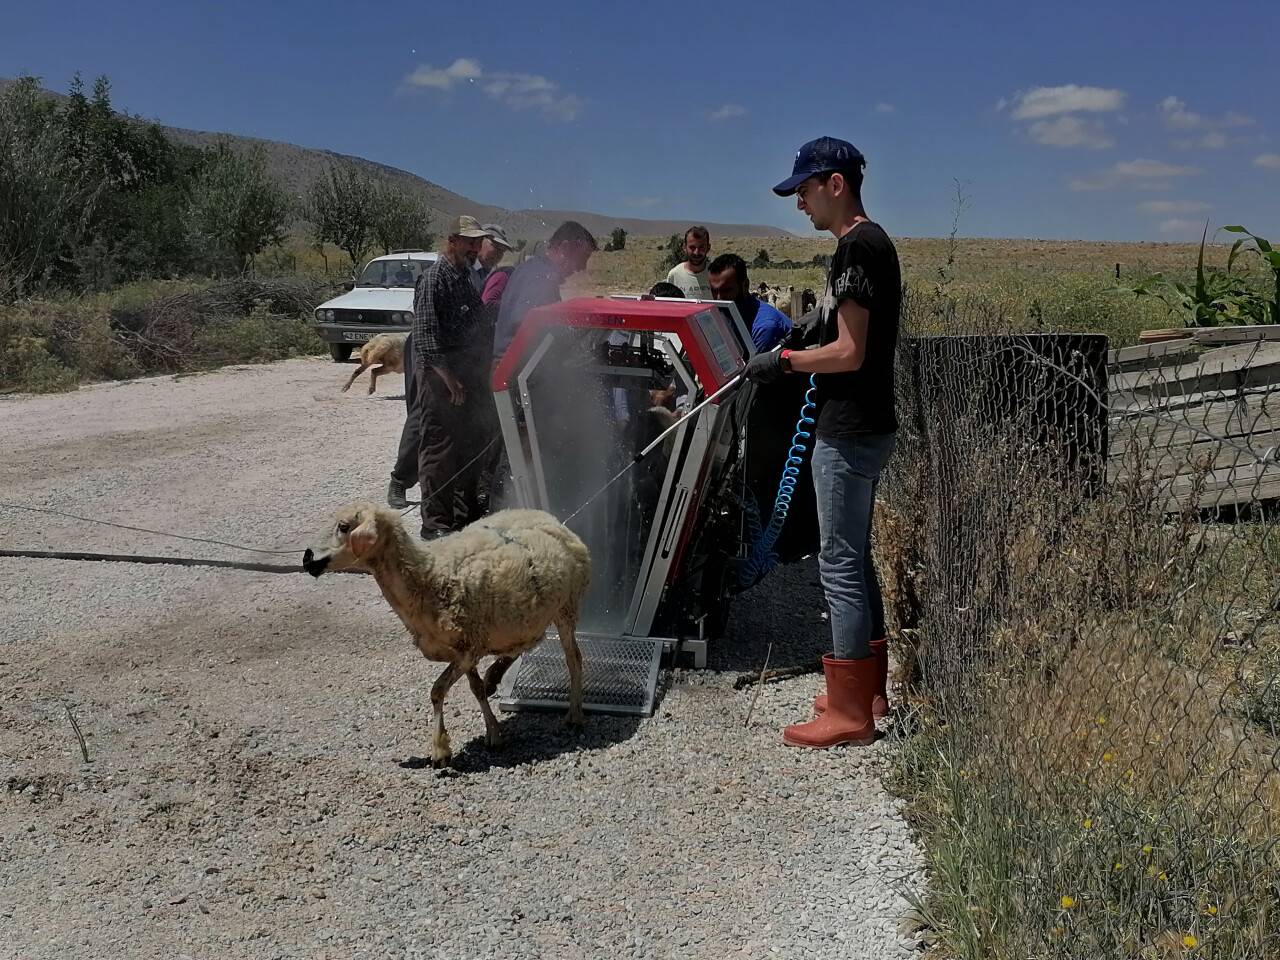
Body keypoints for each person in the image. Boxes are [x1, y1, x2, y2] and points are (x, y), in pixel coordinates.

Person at [743, 136, 901, 750]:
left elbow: (850, 352)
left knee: (837, 561)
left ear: (835, 184)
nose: (800, 205)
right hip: (869, 424)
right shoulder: (869, 243)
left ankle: (849, 713)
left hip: (849, 428)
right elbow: (849, 331)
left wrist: (784, 361)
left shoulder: (856, 246)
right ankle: (870, 690)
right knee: (855, 557)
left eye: (804, 192)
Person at [413, 214, 496, 538]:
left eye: (478, 243)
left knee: (466, 447)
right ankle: (435, 524)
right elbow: (425, 335)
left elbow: (478, 323)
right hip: (441, 380)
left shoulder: (463, 277)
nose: (475, 248)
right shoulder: (435, 279)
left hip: (465, 376)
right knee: (439, 451)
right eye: (469, 242)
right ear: (452, 241)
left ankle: (464, 515)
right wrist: (448, 379)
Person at [491, 221, 598, 369]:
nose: (582, 267)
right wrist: (573, 331)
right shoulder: (539, 276)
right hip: (513, 372)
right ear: (565, 248)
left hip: (520, 367)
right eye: (583, 258)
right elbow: (525, 322)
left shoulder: (539, 270)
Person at [706, 253, 792, 351]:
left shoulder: (765, 327)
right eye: (714, 291)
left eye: (726, 290)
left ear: (745, 285)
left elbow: (756, 365)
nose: (719, 298)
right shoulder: (730, 314)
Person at [664, 226, 712, 298]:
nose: (696, 252)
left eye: (701, 247)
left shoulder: (716, 274)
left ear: (708, 248)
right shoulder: (674, 275)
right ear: (684, 248)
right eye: (692, 247)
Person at [472, 223, 513, 292]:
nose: (498, 254)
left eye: (503, 250)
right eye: (496, 247)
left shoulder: (496, 276)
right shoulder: (462, 269)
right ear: (480, 241)